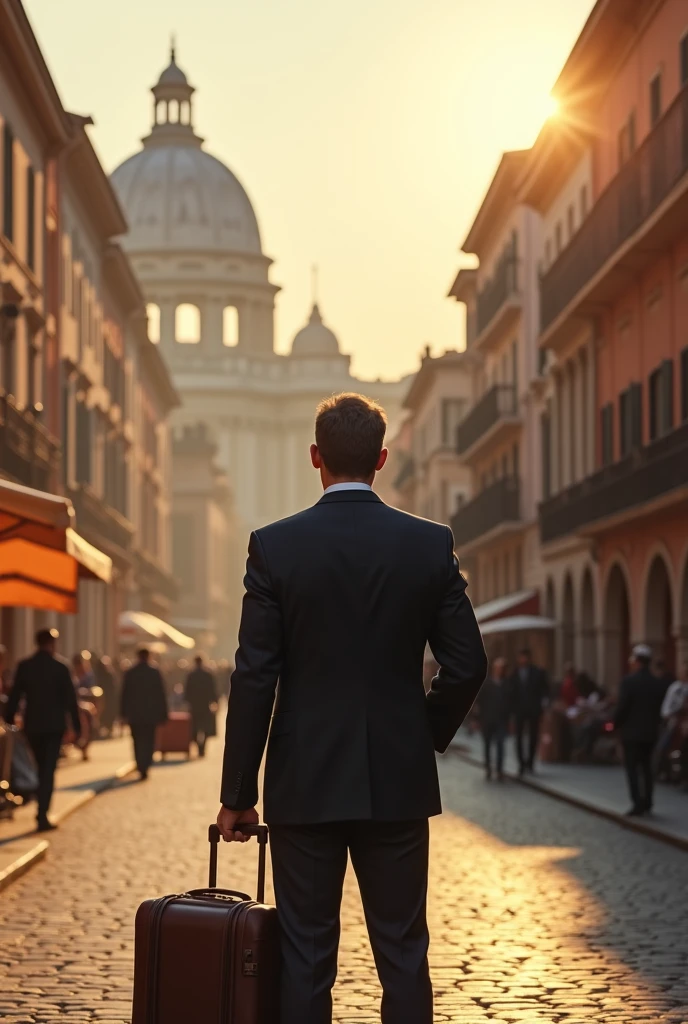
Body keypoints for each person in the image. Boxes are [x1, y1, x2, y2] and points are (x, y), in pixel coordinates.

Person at [216, 392, 487, 1024]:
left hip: (304, 782)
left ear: (315, 457)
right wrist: (422, 733)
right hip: (397, 777)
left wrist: (237, 791)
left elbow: (255, 675)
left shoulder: (274, 547)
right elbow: (467, 664)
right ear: (383, 459)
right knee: (402, 950)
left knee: (306, 955)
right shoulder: (427, 544)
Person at [2, 628, 81, 832]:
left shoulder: (26, 666)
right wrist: (76, 727)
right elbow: (71, 701)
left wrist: (9, 717)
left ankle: (41, 807)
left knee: (38, 766)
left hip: (33, 725)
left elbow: (16, 695)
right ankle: (42, 814)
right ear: (52, 643)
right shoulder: (61, 667)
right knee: (48, 770)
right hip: (54, 726)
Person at [614, 643, 664, 816]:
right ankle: (648, 801)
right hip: (650, 733)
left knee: (632, 769)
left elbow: (622, 708)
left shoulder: (628, 682)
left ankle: (637, 803)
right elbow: (660, 709)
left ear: (636, 661)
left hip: (631, 733)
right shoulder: (657, 683)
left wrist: (615, 724)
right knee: (647, 768)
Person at [120, 648, 168, 780]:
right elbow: (161, 694)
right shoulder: (154, 672)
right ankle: (146, 764)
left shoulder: (130, 672)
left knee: (137, 740)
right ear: (148, 656)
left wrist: (123, 713)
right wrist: (164, 714)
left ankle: (140, 763)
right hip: (150, 715)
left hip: (135, 714)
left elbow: (124, 694)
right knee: (149, 740)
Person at [508, 647, 549, 775]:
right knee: (519, 737)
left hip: (534, 710)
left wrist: (544, 703)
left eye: (525, 657)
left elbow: (545, 689)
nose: (523, 659)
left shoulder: (538, 672)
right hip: (519, 710)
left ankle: (530, 762)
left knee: (533, 737)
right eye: (521, 657)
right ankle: (521, 763)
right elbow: (510, 692)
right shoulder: (514, 673)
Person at [477, 657, 511, 780]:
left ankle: (499, 770)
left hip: (501, 719)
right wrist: (477, 719)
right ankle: (488, 768)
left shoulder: (507, 684)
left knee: (501, 745)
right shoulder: (486, 684)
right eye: (498, 668)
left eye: (502, 668)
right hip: (487, 720)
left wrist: (510, 719)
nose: (500, 670)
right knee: (487, 745)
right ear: (494, 669)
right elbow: (479, 702)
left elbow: (511, 702)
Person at [654, 661, 688, 778]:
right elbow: (666, 709)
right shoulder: (675, 688)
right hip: (675, 720)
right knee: (664, 743)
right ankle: (661, 769)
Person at [184, 654, 218, 757]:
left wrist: (187, 702)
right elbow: (212, 689)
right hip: (205, 705)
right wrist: (215, 701)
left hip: (194, 705)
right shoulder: (208, 674)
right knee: (205, 727)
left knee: (195, 727)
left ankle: (198, 745)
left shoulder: (191, 675)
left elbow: (187, 691)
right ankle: (202, 747)